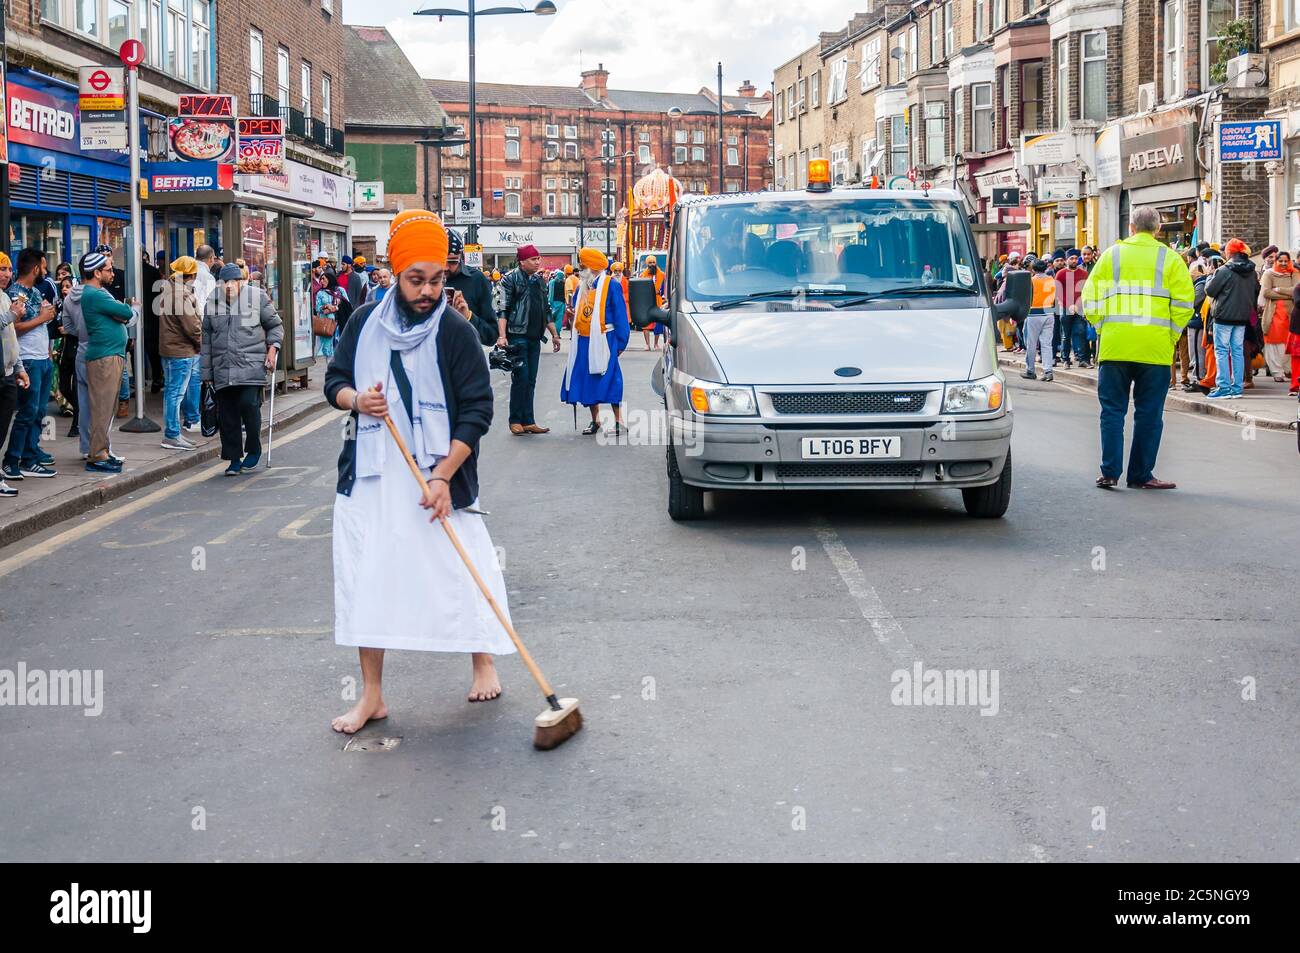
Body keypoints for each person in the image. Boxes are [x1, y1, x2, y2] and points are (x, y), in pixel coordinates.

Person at [323, 208, 513, 732]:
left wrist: (443, 476)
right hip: (371, 472)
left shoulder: (454, 331)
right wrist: (357, 400)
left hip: (438, 475)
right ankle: (373, 696)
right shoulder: (363, 323)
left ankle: (483, 661)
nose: (428, 290)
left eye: (437, 279)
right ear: (394, 271)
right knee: (367, 579)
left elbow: (478, 410)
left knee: (462, 566)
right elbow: (334, 381)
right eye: (416, 279)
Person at [1081, 205, 1194, 490]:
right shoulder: (1171, 259)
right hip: (1154, 350)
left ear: (1130, 227)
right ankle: (1141, 475)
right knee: (1150, 415)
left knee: (1112, 412)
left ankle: (1109, 473)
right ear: (1158, 229)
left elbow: (1090, 297)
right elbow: (1183, 305)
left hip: (1115, 346)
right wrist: (1170, 336)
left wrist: (1101, 327)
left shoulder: (1111, 255)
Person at [202, 263, 282, 475]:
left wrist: (273, 349)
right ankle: (234, 459)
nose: (228, 286)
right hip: (223, 368)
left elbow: (275, 325)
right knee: (227, 416)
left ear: (240, 282)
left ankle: (254, 448)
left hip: (251, 366)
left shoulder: (257, 297)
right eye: (224, 282)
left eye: (233, 282)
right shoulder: (212, 301)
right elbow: (207, 340)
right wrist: (207, 375)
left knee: (248, 405)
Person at [2, 248, 60, 481]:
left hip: (42, 358)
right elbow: (14, 327)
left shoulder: (34, 291)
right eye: (44, 267)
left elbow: (43, 321)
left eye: (8, 269)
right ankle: (13, 459)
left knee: (38, 411)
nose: (45, 271)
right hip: (27, 359)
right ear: (35, 268)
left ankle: (30, 454)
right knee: (27, 412)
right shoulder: (15, 294)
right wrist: (42, 318)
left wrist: (47, 352)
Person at [561, 246, 630, 435]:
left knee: (611, 379)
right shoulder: (583, 285)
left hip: (605, 339)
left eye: (583, 266)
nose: (580, 270)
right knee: (588, 379)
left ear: (592, 267)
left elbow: (620, 315)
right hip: (583, 341)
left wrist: (621, 342)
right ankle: (596, 420)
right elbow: (578, 307)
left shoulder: (611, 285)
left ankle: (619, 421)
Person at [79, 251, 136, 474]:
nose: (113, 273)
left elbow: (122, 315)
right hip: (104, 358)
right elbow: (125, 311)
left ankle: (101, 452)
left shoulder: (99, 293)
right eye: (109, 270)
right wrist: (125, 310)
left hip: (108, 356)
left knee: (105, 409)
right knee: (102, 410)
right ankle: (97, 456)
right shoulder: (96, 294)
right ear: (96, 272)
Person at [497, 243, 559, 435]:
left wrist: (555, 334)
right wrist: (502, 336)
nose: (537, 261)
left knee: (531, 379)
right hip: (517, 336)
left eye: (538, 258)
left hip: (534, 337)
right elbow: (502, 309)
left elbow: (546, 310)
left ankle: (528, 420)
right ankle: (515, 420)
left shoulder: (539, 281)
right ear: (522, 262)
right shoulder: (510, 279)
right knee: (521, 378)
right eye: (533, 259)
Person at [158, 256, 204, 452]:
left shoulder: (168, 290)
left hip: (169, 349)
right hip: (181, 350)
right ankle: (172, 434)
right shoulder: (181, 295)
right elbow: (192, 327)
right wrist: (202, 344)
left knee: (171, 393)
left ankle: (173, 432)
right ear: (191, 275)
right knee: (175, 394)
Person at [1204, 238, 1258, 400]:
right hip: (1242, 316)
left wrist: (1209, 276)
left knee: (1221, 351)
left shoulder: (1224, 270)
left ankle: (1224, 387)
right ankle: (1236, 387)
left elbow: (1210, 290)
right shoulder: (1252, 271)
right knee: (1237, 352)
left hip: (1224, 316)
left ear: (1230, 252)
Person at [0, 255, 32, 497]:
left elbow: (10, 336)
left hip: (8, 373)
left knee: (2, 428)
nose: (6, 274)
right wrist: (11, 316)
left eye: (9, 269)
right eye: (1, 269)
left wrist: (19, 367)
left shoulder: (4, 297)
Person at [443, 230, 497, 345]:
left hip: (465, 357)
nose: (445, 267)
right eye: (440, 261)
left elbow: (491, 336)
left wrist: (468, 316)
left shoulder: (477, 280)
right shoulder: (424, 280)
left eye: (452, 261)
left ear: (461, 256)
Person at [1260, 250, 1295, 383]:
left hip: (1290, 314)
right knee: (1273, 343)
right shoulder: (1268, 274)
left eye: (1286, 261)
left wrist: (1279, 290)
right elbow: (1267, 293)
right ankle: (1276, 371)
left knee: (1289, 342)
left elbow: (1296, 290)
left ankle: (1289, 370)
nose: (1283, 263)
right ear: (1276, 261)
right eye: (1280, 261)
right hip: (1273, 313)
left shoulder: (1294, 273)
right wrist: (1289, 294)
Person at [1021, 258, 1056, 382]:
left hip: (1034, 314)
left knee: (1031, 344)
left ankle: (1030, 370)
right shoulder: (1052, 280)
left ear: (1034, 269)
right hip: (1049, 313)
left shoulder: (1031, 281)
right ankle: (1048, 371)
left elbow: (1026, 297)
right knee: (1046, 344)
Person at [1055, 249, 1089, 368]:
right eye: (1071, 258)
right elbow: (1058, 293)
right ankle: (1065, 359)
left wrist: (1077, 305)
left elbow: (1085, 292)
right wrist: (1069, 304)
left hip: (1079, 308)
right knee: (1065, 335)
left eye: (1076, 258)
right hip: (1065, 308)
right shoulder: (1061, 274)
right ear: (1066, 260)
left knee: (1080, 333)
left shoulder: (1084, 274)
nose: (1074, 260)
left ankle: (1082, 359)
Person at [139, 249, 163, 393]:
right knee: (153, 351)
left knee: (138, 351)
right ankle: (156, 378)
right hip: (152, 316)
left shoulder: (131, 272)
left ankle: (141, 381)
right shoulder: (153, 272)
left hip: (141, 316)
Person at [314, 269, 345, 359]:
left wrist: (335, 308)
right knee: (327, 350)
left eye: (324, 279)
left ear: (330, 279)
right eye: (320, 280)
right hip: (326, 323)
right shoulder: (320, 293)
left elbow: (347, 304)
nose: (321, 282)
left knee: (339, 347)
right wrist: (325, 307)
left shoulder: (340, 290)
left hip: (339, 322)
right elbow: (317, 308)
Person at [640, 255, 667, 350]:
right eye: (650, 262)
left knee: (658, 324)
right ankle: (647, 344)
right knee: (646, 324)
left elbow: (665, 289)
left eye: (653, 262)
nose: (652, 264)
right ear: (647, 264)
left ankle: (656, 344)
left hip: (659, 302)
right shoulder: (642, 275)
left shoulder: (662, 274)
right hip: (647, 302)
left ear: (656, 263)